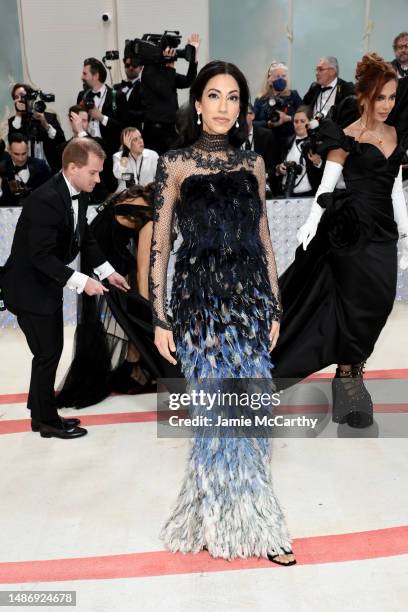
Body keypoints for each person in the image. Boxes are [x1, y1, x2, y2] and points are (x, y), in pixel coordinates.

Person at [149, 61, 295, 565]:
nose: (224, 108)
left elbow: (264, 239)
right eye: (214, 96)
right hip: (199, 308)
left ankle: (259, 521)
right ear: (197, 102)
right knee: (216, 418)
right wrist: (160, 316)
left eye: (233, 98)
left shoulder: (252, 163)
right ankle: (221, 519)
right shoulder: (175, 163)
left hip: (250, 303)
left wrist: (274, 305)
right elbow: (161, 246)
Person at [273, 54, 408, 428]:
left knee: (379, 304)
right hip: (351, 232)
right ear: (364, 96)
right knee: (352, 308)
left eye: (392, 98)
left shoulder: (394, 135)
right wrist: (311, 223)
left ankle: (351, 372)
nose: (386, 106)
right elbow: (327, 187)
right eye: (380, 98)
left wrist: (406, 235)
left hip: (383, 234)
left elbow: (395, 189)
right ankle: (349, 383)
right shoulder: (344, 135)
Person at [0, 138, 129, 439]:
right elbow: (40, 257)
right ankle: (47, 422)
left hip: (46, 286)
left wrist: (108, 272)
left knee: (48, 353)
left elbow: (84, 238)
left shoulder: (78, 193)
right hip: (29, 288)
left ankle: (40, 414)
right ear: (72, 168)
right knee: (48, 354)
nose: (99, 179)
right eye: (94, 173)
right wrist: (83, 282)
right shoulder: (45, 200)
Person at [57, 183, 182, 407]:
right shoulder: (152, 216)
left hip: (95, 255)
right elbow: (144, 270)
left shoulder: (133, 194)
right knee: (139, 316)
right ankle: (139, 369)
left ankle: (133, 366)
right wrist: (148, 310)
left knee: (132, 316)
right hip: (106, 263)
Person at [141, 33, 200, 154]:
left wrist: (193, 59)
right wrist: (170, 67)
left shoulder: (167, 71)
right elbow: (165, 92)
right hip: (155, 132)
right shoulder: (149, 71)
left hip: (171, 130)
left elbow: (187, 81)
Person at [8, 83, 66, 173]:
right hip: (27, 170)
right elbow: (13, 141)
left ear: (31, 97)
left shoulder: (50, 117)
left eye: (22, 96)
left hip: (49, 169)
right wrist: (18, 114)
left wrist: (45, 124)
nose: (20, 100)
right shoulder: (15, 121)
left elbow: (61, 141)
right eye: (16, 97)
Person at [77, 57, 128, 157]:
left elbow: (124, 127)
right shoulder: (82, 95)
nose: (82, 77)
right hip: (87, 149)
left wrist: (101, 117)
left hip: (109, 151)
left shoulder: (117, 96)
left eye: (85, 74)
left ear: (95, 76)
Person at [275, 105, 323, 197]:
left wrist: (318, 162)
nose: (299, 124)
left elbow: (325, 173)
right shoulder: (286, 142)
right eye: (296, 122)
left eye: (302, 121)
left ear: (310, 122)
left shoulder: (318, 142)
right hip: (286, 194)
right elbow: (275, 165)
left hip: (310, 195)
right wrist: (279, 168)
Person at [254, 61, 302, 149]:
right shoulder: (260, 100)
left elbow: (305, 117)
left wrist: (288, 118)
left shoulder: (293, 95)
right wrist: (268, 124)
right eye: (277, 76)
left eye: (283, 76)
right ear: (270, 80)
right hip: (266, 145)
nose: (281, 79)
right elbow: (252, 123)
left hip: (289, 144)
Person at [0, 132, 51, 206]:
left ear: (28, 149)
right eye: (16, 154)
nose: (20, 159)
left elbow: (51, 192)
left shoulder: (41, 166)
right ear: (9, 150)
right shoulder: (2, 169)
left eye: (24, 153)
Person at [244, 103, 278, 190]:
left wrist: (261, 177)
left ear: (252, 116)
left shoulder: (267, 135)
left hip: (262, 184)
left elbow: (272, 167)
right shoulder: (231, 137)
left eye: (244, 113)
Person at [114, 55, 144, 129]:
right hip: (116, 131)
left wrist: (125, 112)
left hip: (134, 131)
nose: (130, 68)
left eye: (134, 65)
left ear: (141, 68)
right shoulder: (116, 87)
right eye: (127, 65)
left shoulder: (144, 88)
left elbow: (145, 113)